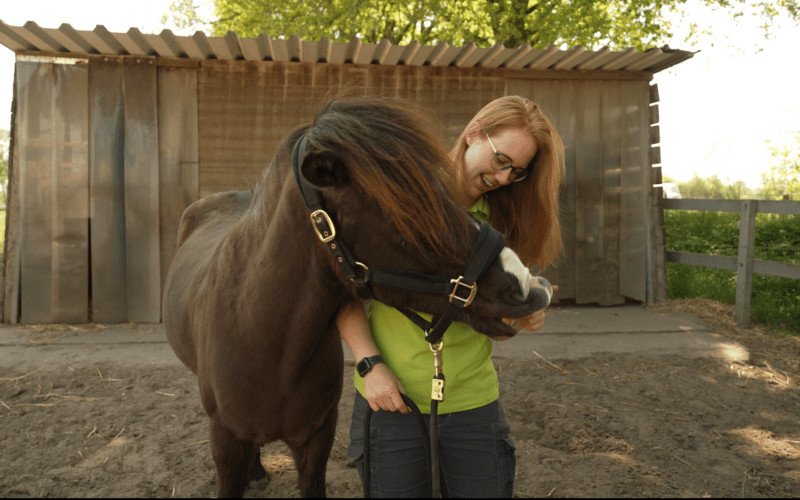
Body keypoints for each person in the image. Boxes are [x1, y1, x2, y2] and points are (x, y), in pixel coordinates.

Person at [339, 95, 565, 498]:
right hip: (391, 400)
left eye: (517, 172)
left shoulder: (499, 219)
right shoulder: (397, 196)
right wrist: (369, 366)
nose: (502, 178)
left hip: (474, 403)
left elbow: (499, 311)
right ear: (474, 135)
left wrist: (523, 314)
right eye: (500, 161)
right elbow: (342, 287)